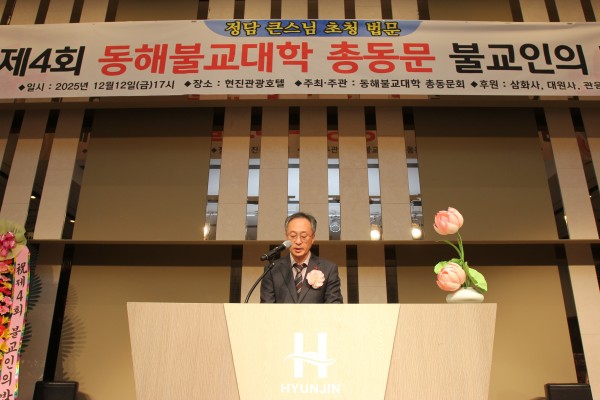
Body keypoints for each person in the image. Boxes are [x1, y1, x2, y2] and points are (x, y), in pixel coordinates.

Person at [260, 212, 343, 304]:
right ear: (286, 237)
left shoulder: (328, 269)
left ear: (312, 238)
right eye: (293, 236)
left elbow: (334, 306)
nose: (298, 241)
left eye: (303, 236)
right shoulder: (272, 269)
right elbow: (266, 307)